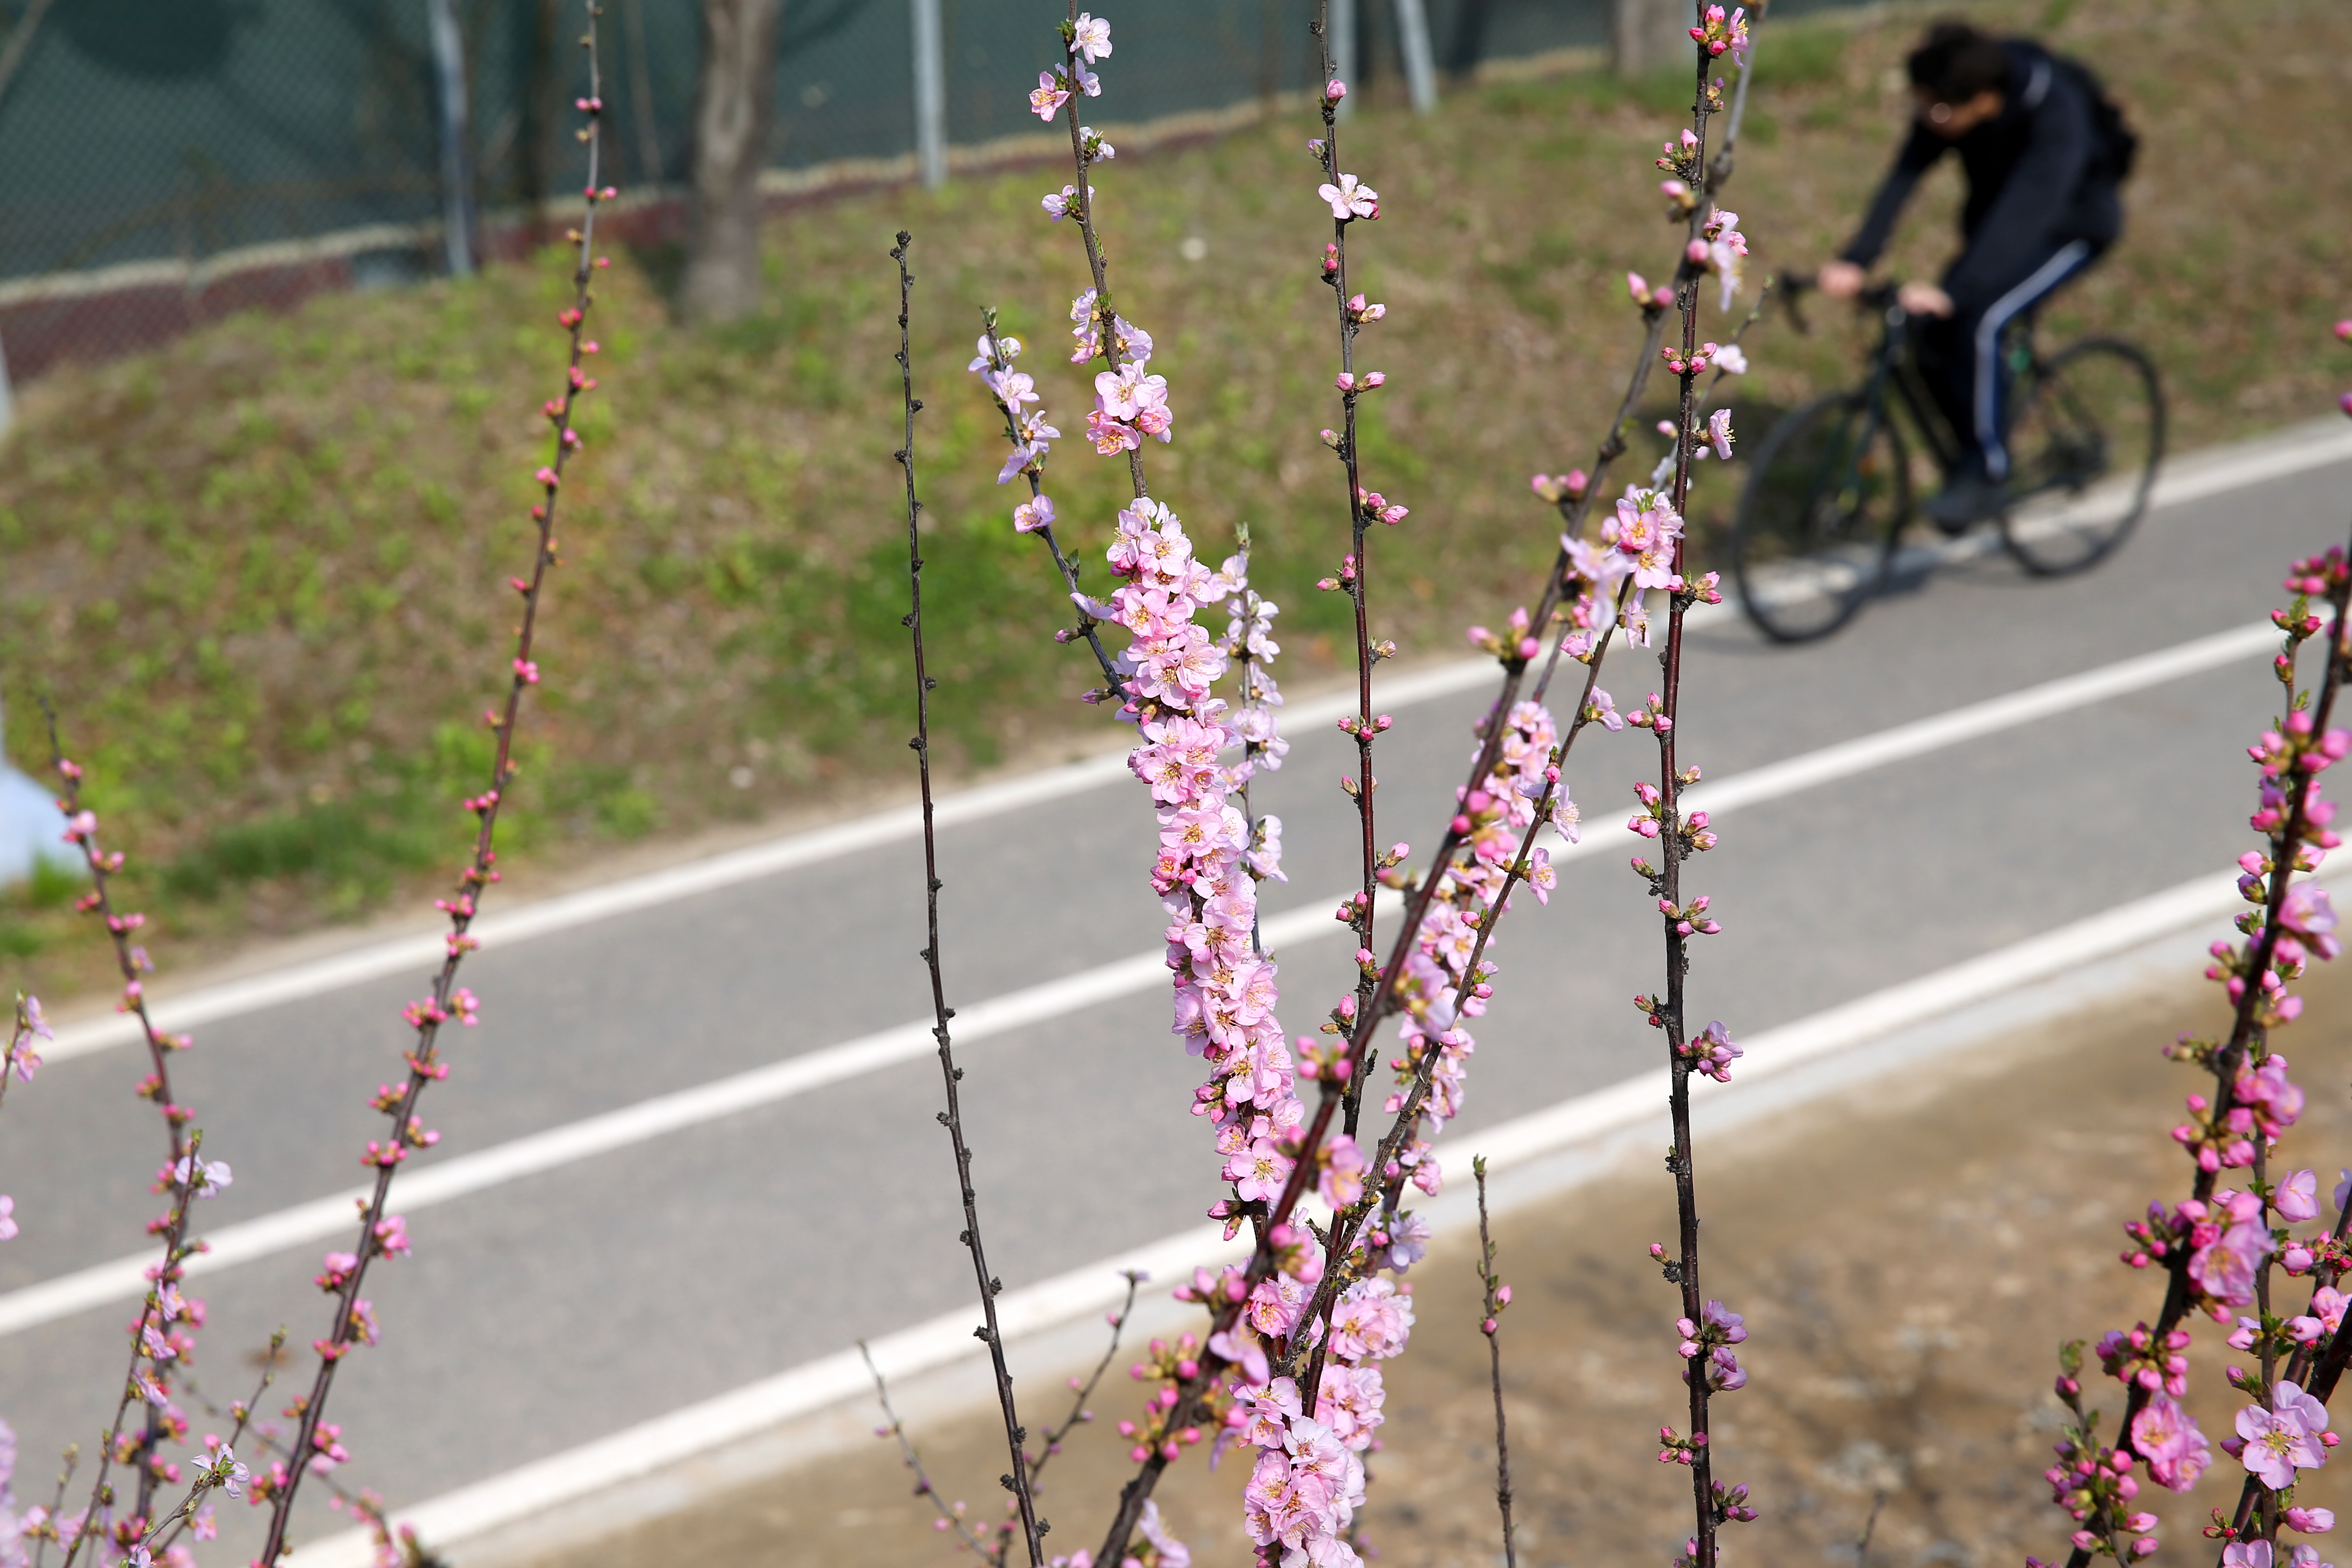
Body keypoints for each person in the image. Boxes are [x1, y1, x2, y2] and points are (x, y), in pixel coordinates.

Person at [1818, 20, 2133, 529]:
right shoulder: (1950, 99)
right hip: (2000, 231)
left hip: (2071, 229)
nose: (1928, 119)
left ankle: (1988, 470)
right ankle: (1971, 448)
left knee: (1982, 317)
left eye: (1938, 110)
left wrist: (1954, 289)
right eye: (1921, 105)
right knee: (1926, 334)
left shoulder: (2057, 115)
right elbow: (1904, 177)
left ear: (1985, 101)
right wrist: (1856, 258)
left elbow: (2029, 212)